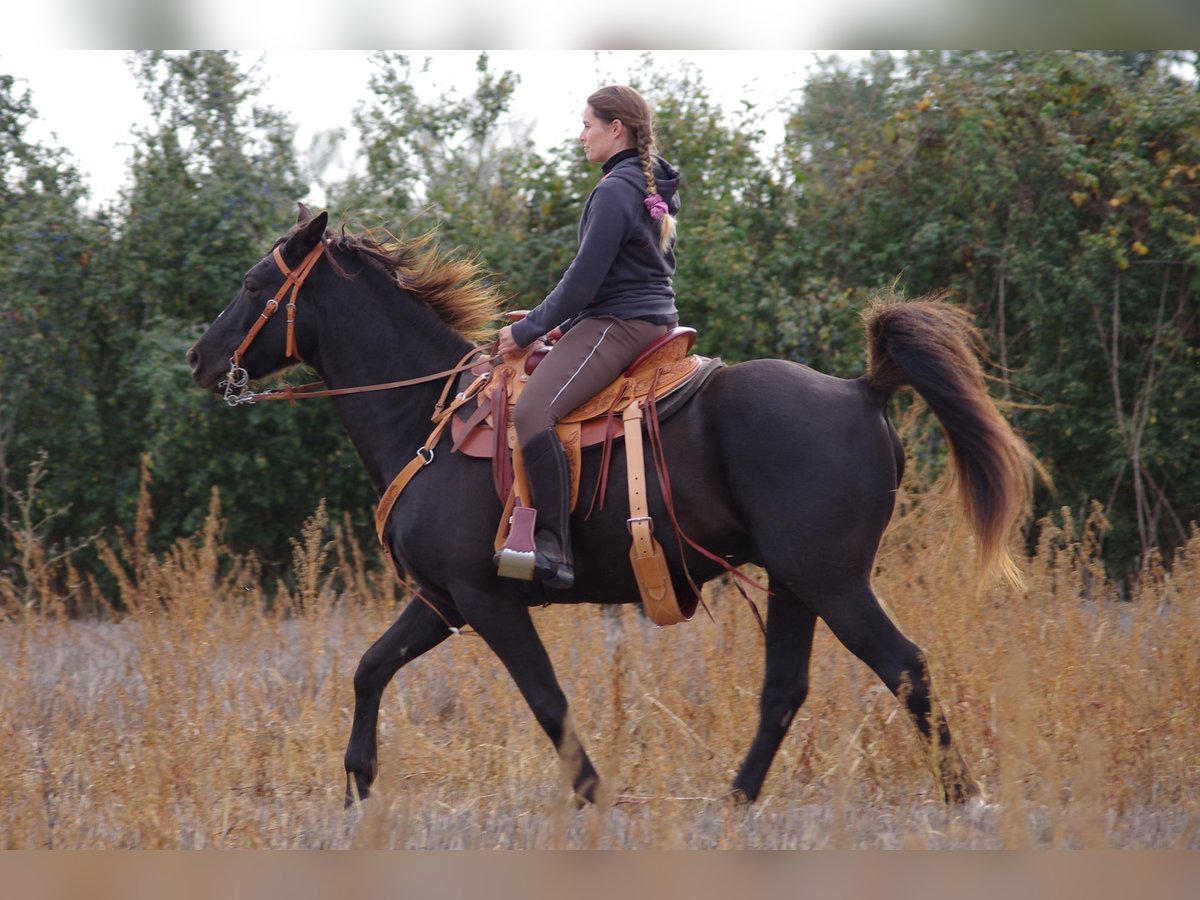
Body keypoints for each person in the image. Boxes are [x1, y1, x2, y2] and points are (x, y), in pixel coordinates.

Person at [495, 84, 682, 589]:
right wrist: (555, 325)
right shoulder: (646, 185)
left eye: (586, 125)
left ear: (614, 128)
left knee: (533, 411)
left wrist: (526, 330)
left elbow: (582, 283)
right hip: (640, 317)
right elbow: (621, 275)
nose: (580, 136)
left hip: (619, 325)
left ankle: (555, 547)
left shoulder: (615, 190)